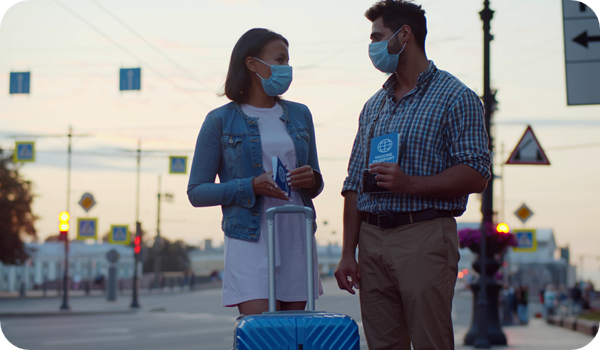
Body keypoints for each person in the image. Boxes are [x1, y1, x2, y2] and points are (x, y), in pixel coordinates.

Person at [334, 1, 491, 349]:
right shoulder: (374, 104)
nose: (372, 46)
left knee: (429, 342)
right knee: (382, 344)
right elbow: (352, 183)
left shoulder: (456, 97)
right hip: (372, 240)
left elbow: (477, 173)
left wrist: (410, 183)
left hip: (424, 234)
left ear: (404, 35)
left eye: (377, 36)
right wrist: (349, 251)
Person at [187, 28, 324, 316]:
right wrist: (249, 185)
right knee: (261, 333)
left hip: (295, 234)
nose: (286, 68)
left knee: (294, 334)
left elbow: (314, 182)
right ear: (252, 64)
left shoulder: (301, 114)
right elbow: (196, 192)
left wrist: (312, 179)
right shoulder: (220, 120)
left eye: (288, 61)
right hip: (249, 236)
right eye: (280, 59)